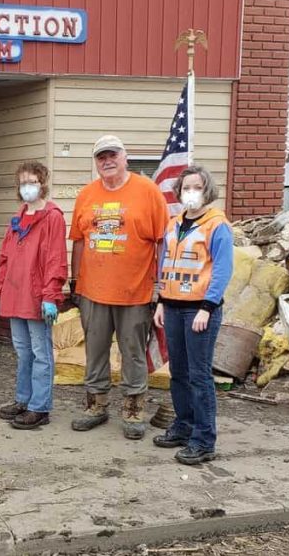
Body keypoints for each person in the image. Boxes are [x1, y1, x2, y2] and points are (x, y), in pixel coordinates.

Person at [69, 135, 168, 439]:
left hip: (135, 292)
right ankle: (96, 406)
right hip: (92, 291)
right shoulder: (86, 195)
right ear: (96, 163)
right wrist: (75, 283)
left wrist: (160, 287)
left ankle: (134, 408)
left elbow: (163, 241)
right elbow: (79, 241)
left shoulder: (147, 191)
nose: (107, 161)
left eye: (113, 155)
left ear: (125, 157)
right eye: (101, 157)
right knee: (95, 351)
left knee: (133, 352)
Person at [152, 165, 233, 465]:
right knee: (179, 373)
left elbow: (223, 269)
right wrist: (161, 300)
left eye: (196, 187)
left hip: (200, 309)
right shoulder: (173, 224)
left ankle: (203, 439)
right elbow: (164, 263)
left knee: (199, 376)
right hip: (172, 305)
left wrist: (207, 307)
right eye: (186, 187)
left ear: (206, 190)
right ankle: (183, 426)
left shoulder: (217, 225)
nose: (191, 193)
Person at [0, 162, 68, 430]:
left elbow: (56, 259)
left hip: (36, 297)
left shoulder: (53, 217)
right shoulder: (19, 216)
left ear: (43, 183)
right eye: (23, 182)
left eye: (32, 181)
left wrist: (50, 295)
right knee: (23, 352)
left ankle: (40, 406)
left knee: (40, 352)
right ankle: (23, 400)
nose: (27, 187)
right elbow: (4, 257)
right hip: (14, 294)